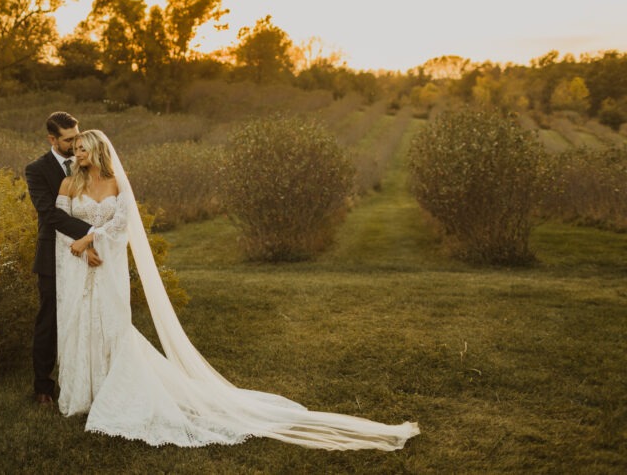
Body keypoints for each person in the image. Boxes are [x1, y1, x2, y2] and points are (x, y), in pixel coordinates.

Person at [53, 129, 421, 450]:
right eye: (76, 148)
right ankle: (83, 394)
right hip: (79, 265)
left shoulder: (117, 183)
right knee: (80, 323)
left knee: (113, 326)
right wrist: (82, 247)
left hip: (109, 264)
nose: (77, 154)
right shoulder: (71, 183)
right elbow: (60, 223)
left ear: (97, 151)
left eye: (83, 148)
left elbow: (122, 222)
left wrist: (93, 239)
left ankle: (112, 391)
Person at [24, 112, 93, 406]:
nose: (75, 143)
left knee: (88, 316)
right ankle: (43, 386)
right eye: (68, 139)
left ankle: (85, 380)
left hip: (89, 252)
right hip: (53, 253)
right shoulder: (36, 170)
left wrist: (94, 239)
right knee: (49, 319)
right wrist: (92, 231)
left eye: (76, 136)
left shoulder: (87, 159)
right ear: (52, 139)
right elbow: (49, 214)